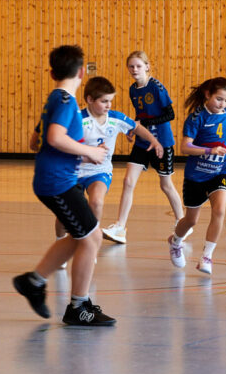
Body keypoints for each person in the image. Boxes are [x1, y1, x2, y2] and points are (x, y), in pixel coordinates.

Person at [13, 45, 115, 326]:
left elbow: (40, 140)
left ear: (51, 72)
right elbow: (55, 137)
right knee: (91, 238)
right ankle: (78, 308)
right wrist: (92, 153)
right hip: (56, 182)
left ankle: (33, 281)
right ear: (82, 72)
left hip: (59, 178)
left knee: (81, 236)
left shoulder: (57, 97)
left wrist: (83, 151)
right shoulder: (66, 101)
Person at [43, 76, 164, 252]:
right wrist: (87, 154)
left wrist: (154, 140)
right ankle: (59, 241)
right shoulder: (77, 120)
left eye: (110, 101)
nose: (108, 105)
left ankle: (90, 244)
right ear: (90, 100)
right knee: (65, 215)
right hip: (73, 171)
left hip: (99, 171)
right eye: (104, 101)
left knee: (97, 202)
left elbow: (136, 127)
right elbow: (61, 147)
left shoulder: (115, 118)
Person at [167, 77, 226, 275]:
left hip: (219, 172)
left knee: (220, 211)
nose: (223, 104)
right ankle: (175, 241)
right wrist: (209, 151)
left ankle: (207, 256)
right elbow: (185, 147)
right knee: (191, 220)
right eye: (219, 99)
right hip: (196, 176)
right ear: (208, 95)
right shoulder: (196, 117)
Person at [102, 51, 185, 245]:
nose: (134, 70)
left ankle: (181, 223)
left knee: (166, 185)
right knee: (128, 181)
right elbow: (140, 115)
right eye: (131, 66)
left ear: (147, 66)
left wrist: (144, 124)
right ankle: (120, 227)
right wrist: (135, 127)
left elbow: (169, 114)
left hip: (162, 143)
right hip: (142, 142)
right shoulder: (133, 90)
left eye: (138, 66)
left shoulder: (156, 87)